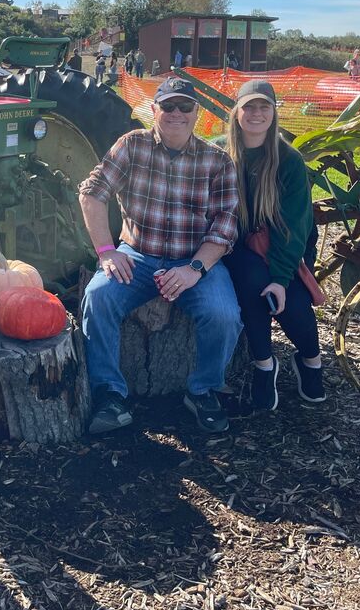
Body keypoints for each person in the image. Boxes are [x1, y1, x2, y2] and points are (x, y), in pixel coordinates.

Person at [79, 76, 242, 436]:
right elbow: (92, 193)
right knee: (97, 297)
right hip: (137, 256)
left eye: (185, 107)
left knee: (224, 315)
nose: (176, 114)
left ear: (196, 113)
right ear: (154, 110)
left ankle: (203, 390)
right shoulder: (131, 146)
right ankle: (110, 394)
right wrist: (106, 251)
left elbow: (225, 226)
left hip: (194, 260)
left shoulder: (217, 161)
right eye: (168, 106)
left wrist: (195, 269)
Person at [221, 80, 326, 410]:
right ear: (237, 113)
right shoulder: (221, 154)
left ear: (274, 113)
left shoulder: (289, 161)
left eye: (264, 107)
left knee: (290, 299)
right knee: (253, 282)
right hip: (240, 248)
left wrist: (281, 278)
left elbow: (295, 227)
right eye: (249, 107)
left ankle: (311, 360)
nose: (256, 113)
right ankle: (265, 366)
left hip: (286, 244)